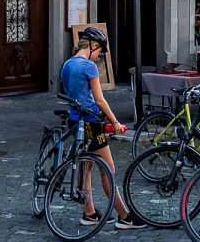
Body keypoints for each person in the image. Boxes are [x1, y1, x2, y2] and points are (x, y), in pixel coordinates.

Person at [58, 27, 143, 229]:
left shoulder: (67, 64)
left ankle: (89, 213)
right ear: (93, 46)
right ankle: (124, 217)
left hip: (75, 120)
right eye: (99, 52)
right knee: (108, 169)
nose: (99, 57)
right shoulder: (88, 66)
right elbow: (99, 100)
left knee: (86, 167)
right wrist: (115, 122)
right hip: (90, 122)